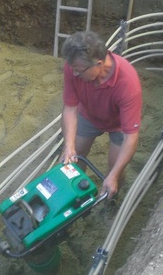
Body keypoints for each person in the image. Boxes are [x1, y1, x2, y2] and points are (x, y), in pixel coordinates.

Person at [59, 31, 142, 200]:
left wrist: (114, 175)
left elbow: (130, 137)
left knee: (115, 170)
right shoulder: (74, 67)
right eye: (73, 69)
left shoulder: (128, 83)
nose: (74, 74)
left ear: (98, 63)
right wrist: (69, 146)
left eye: (79, 71)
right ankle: (72, 194)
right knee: (75, 154)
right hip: (88, 113)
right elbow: (70, 108)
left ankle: (110, 199)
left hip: (118, 123)